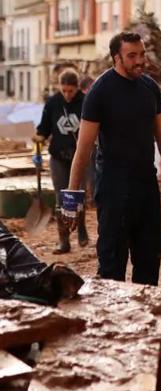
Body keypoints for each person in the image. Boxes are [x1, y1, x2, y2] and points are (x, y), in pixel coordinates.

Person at [60, 32, 161, 286]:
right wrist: (71, 197)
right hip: (114, 186)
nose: (140, 61)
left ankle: (146, 319)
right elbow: (83, 149)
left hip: (146, 184)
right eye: (132, 56)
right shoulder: (100, 91)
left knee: (149, 258)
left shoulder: (149, 87)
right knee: (112, 263)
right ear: (117, 58)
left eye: (142, 54)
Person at [35, 70, 87, 253]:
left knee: (79, 196)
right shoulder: (53, 103)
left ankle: (81, 228)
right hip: (58, 156)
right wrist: (39, 138)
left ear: (77, 88)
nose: (67, 95)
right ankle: (63, 240)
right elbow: (44, 128)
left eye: (70, 91)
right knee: (61, 198)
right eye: (64, 90)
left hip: (79, 157)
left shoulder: (86, 102)